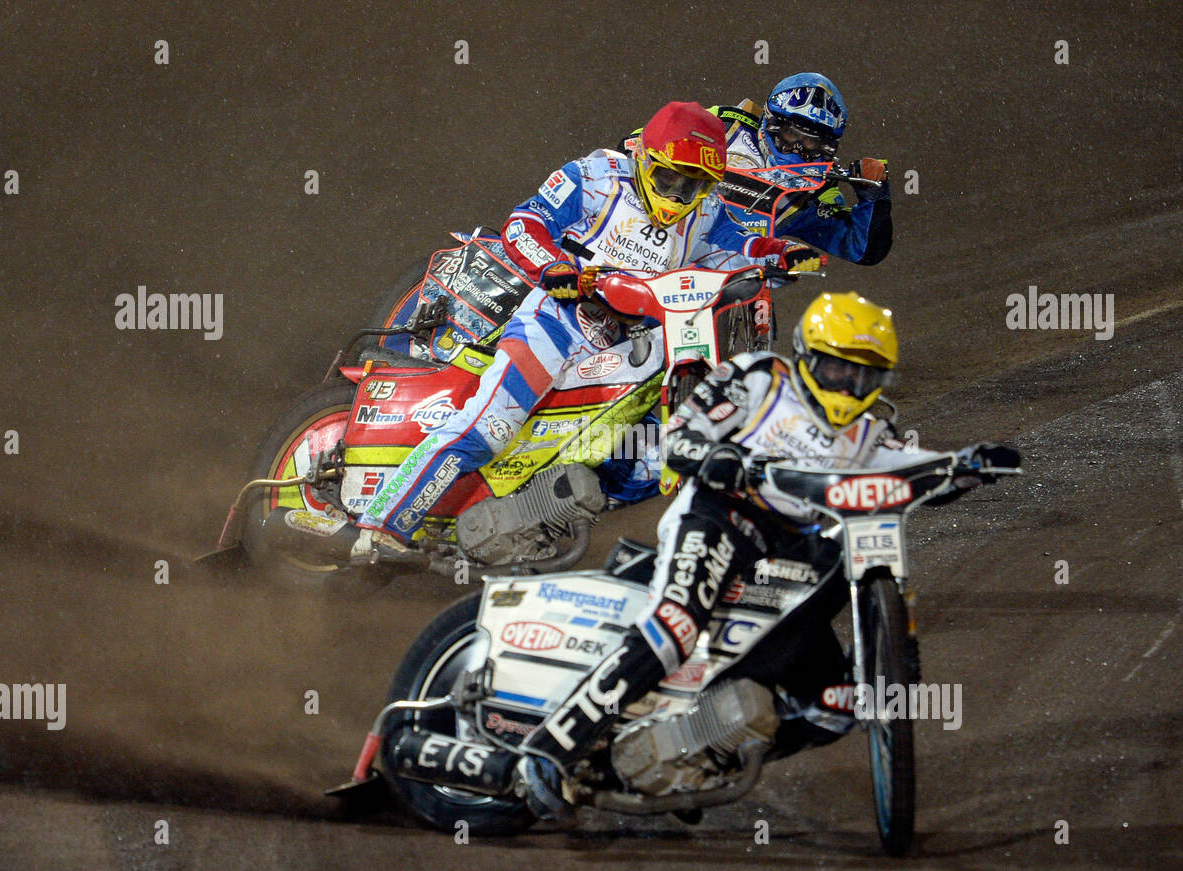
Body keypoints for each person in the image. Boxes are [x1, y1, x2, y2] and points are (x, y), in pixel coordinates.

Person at [513, 291, 1020, 818]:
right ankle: (549, 748)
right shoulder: (760, 377)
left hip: (788, 545)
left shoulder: (871, 432)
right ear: (805, 354)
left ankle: (706, 751)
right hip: (720, 513)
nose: (847, 388)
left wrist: (967, 463)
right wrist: (718, 457)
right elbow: (680, 437)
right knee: (676, 623)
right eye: (835, 370)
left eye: (863, 377)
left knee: (834, 707)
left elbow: (912, 467)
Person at [281, 101, 819, 564]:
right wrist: (553, 268)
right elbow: (525, 222)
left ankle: (531, 521)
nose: (680, 195)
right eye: (670, 178)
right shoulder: (596, 175)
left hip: (630, 343)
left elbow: (739, 249)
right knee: (488, 428)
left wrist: (779, 253)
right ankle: (378, 528)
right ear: (644, 159)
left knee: (642, 460)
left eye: (696, 185)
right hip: (556, 320)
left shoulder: (707, 213)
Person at [710, 72, 892, 266]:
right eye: (791, 134)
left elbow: (863, 249)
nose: (797, 149)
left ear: (826, 146)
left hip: (737, 282)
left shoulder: (814, 189)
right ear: (772, 122)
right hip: (679, 246)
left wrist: (875, 197)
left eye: (810, 142)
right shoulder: (723, 124)